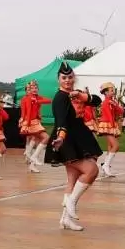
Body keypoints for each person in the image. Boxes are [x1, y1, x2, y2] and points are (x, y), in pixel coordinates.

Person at [45, 61, 102, 231]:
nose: (67, 80)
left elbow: (97, 101)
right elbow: (61, 121)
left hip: (79, 136)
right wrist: (61, 137)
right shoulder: (60, 98)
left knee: (73, 178)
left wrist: (81, 95)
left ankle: (65, 219)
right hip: (67, 138)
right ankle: (70, 201)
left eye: (70, 77)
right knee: (91, 170)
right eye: (64, 78)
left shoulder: (74, 94)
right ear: (58, 79)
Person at [18, 80, 51, 173]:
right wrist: (25, 123)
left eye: (36, 88)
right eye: (32, 88)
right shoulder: (27, 98)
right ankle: (31, 155)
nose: (34, 89)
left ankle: (32, 163)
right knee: (45, 138)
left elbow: (49, 101)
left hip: (36, 121)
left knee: (36, 139)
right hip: (31, 122)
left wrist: (37, 101)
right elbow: (26, 112)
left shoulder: (36, 97)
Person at [96, 82, 122, 176]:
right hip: (107, 125)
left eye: (113, 90)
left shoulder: (112, 102)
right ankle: (106, 165)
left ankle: (105, 165)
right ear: (106, 92)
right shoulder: (105, 103)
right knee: (116, 145)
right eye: (111, 91)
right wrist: (112, 126)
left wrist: (115, 105)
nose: (113, 92)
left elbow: (121, 111)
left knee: (111, 146)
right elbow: (108, 116)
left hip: (111, 125)